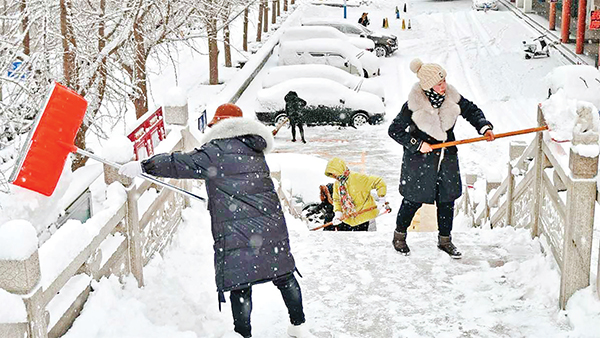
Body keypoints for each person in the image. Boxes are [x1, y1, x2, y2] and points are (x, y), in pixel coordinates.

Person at [118, 103, 315, 338]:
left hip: (236, 228)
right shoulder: (254, 148)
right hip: (270, 223)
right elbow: (241, 183)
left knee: (240, 283)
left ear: (220, 125)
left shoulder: (215, 151)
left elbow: (178, 163)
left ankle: (243, 334)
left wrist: (144, 166)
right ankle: (299, 326)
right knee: (284, 274)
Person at [388, 58, 495, 258]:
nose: (444, 86)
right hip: (419, 161)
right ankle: (399, 236)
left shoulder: (452, 96)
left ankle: (445, 240)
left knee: (447, 201)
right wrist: (418, 145)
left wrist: (484, 127)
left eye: (444, 80)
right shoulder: (412, 105)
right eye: (439, 83)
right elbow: (394, 131)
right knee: (412, 200)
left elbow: (472, 110)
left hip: (447, 158)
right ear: (428, 86)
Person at [324, 157, 387, 231]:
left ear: (339, 170)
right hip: (348, 220)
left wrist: (381, 199)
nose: (334, 176)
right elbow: (337, 200)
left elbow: (379, 182)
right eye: (331, 174)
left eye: (334, 173)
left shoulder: (358, 178)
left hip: (365, 218)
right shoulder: (337, 184)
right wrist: (338, 214)